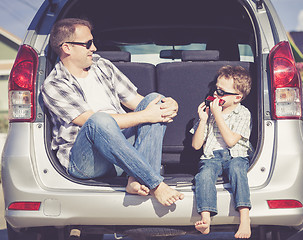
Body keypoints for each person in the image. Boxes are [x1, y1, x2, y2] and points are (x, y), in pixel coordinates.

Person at [41, 18, 184, 206]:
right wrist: (147, 115)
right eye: (88, 44)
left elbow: (139, 102)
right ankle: (155, 184)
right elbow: (89, 121)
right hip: (86, 161)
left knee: (154, 98)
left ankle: (135, 179)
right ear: (67, 48)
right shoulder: (54, 84)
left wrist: (168, 105)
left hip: (120, 153)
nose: (94, 48)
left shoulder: (102, 65)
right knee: (99, 120)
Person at [190, 65, 253, 238]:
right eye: (216, 90)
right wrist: (203, 120)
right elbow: (196, 145)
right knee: (203, 176)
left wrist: (217, 115)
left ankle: (245, 219)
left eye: (222, 92)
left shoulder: (243, 114)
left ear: (237, 98)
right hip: (211, 157)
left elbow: (231, 141)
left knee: (238, 172)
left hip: (235, 155)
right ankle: (206, 219)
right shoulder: (208, 114)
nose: (216, 95)